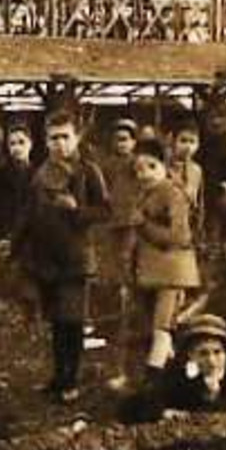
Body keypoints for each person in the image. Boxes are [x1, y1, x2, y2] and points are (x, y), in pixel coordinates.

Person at [14, 109, 110, 404]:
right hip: (46, 259)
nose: (60, 144)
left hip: (75, 258)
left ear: (76, 138)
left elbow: (106, 210)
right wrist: (13, 244)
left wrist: (76, 209)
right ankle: (58, 377)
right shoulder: (40, 173)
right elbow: (28, 214)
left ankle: (71, 380)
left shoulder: (88, 171)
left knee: (72, 320)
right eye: (54, 138)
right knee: (56, 321)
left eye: (65, 137)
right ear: (45, 141)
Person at [131, 137, 201, 387]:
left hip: (172, 271)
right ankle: (175, 377)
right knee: (157, 327)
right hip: (152, 271)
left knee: (163, 326)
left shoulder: (173, 193)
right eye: (139, 169)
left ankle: (153, 382)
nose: (144, 174)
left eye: (151, 167)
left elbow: (180, 236)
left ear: (165, 166)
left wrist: (145, 225)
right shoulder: (145, 194)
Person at [118, 315, 226, 423]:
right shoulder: (177, 372)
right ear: (190, 355)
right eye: (203, 353)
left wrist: (213, 394)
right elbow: (145, 401)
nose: (211, 361)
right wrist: (163, 412)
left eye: (217, 352)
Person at [0, 122, 38, 328]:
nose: (16, 147)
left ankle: (29, 320)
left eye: (21, 142)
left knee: (27, 280)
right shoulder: (0, 174)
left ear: (30, 145)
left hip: (26, 236)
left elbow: (36, 209)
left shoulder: (36, 176)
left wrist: (23, 235)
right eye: (12, 143)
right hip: (0, 231)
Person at [94, 117, 142, 356]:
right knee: (110, 268)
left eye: (126, 140)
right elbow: (102, 191)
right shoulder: (106, 164)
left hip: (132, 221)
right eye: (117, 140)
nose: (122, 144)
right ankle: (110, 320)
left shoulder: (139, 164)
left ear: (134, 142)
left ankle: (128, 318)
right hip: (111, 221)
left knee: (127, 262)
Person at [167, 118, 206, 236]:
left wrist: (199, 227)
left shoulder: (196, 170)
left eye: (192, 142)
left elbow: (199, 202)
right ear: (172, 140)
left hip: (188, 228)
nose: (188, 146)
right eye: (183, 141)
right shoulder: (161, 168)